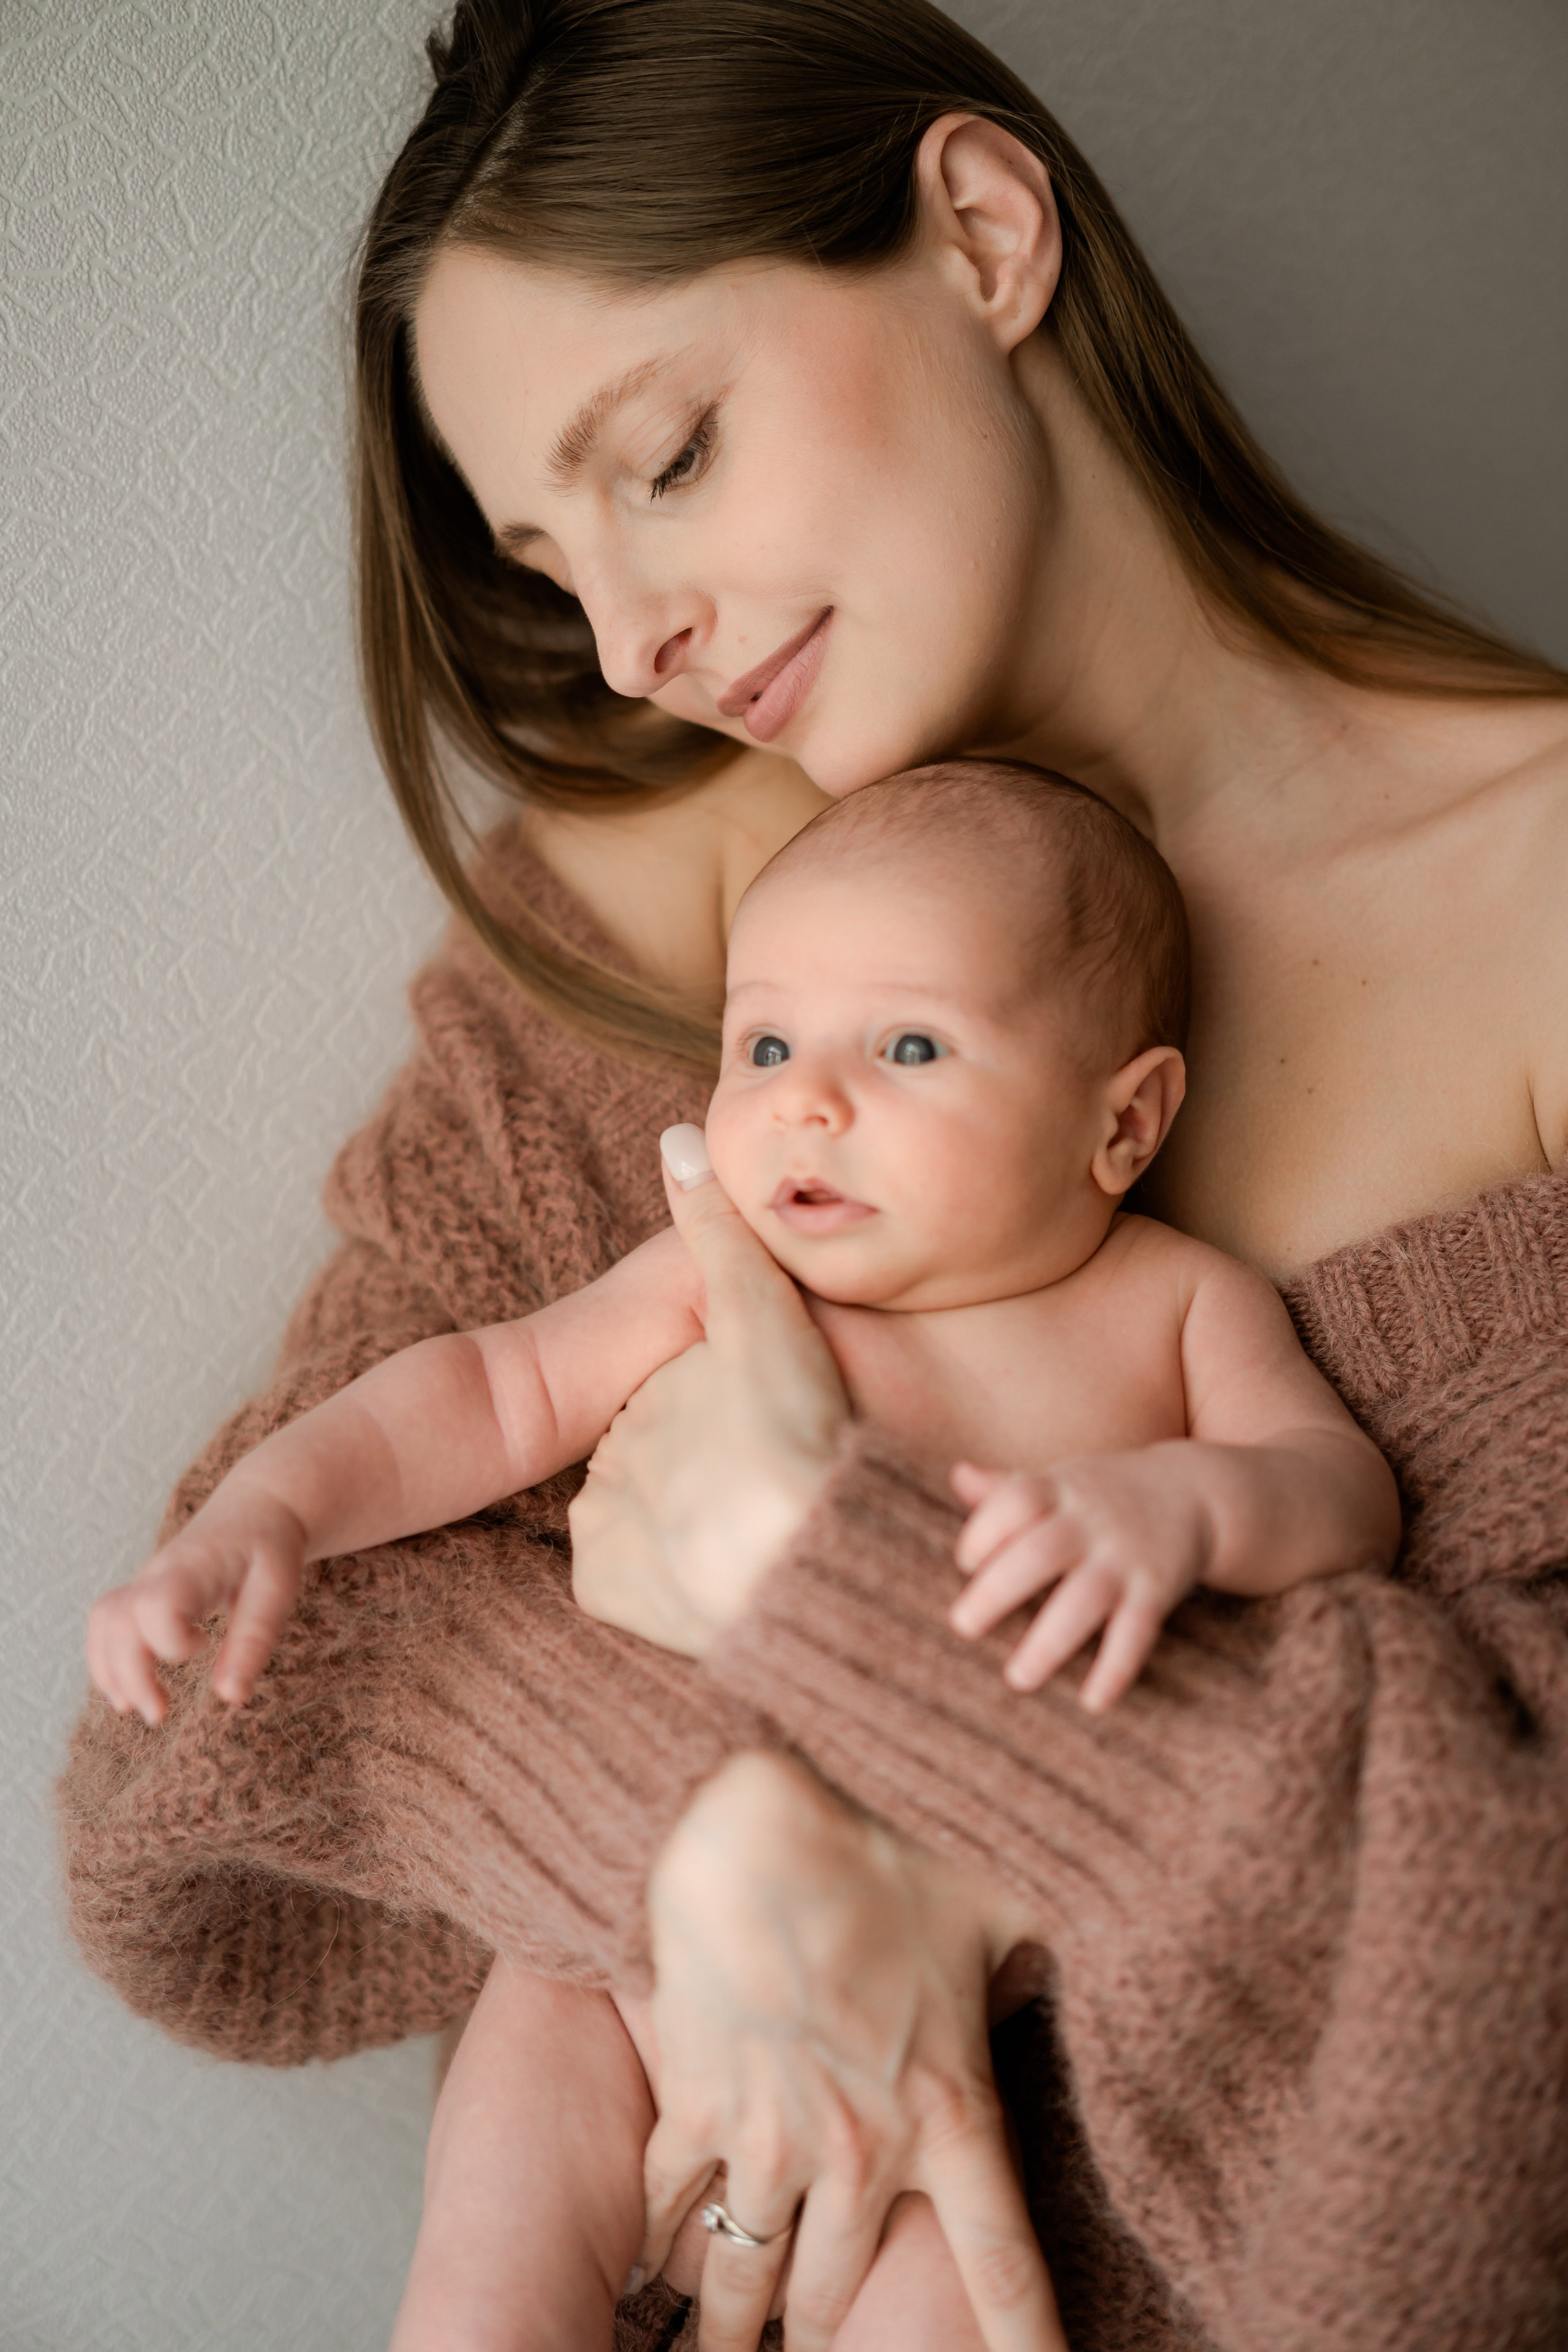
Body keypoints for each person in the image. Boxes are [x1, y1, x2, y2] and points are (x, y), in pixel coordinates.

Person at [56, 4, 1568, 2350]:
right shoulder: (663, 908)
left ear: (984, 231)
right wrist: (707, 1840)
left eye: (667, 456)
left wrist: (896, 1702)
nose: (632, 641)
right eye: (550, 561)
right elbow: (189, 1730)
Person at [83, 763, 1399, 2350]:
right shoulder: (724, 1273)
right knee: (490, 2279)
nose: (807, 1101)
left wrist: (1185, 1506)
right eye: (765, 1045)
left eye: (907, 1046)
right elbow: (490, 1391)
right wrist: (272, 1512)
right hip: (616, 1954)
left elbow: (1342, 1491)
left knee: (953, 2307)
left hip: (957, 2014)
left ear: (1123, 1120)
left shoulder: (1175, 1307)